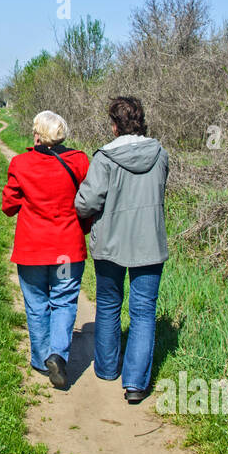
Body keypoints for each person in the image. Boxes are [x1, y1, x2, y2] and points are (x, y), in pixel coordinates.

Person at [75, 96, 169, 404]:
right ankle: (135, 384)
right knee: (143, 312)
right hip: (149, 244)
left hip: (111, 244)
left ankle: (106, 369)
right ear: (141, 121)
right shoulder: (160, 154)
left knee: (109, 305)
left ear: (115, 125)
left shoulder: (104, 158)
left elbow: (87, 203)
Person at [1, 110, 90, 389]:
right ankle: (58, 355)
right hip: (66, 251)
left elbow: (8, 206)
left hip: (33, 251)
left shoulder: (21, 163)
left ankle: (41, 360)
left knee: (37, 303)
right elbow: (88, 200)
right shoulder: (79, 161)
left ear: (38, 134)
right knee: (64, 299)